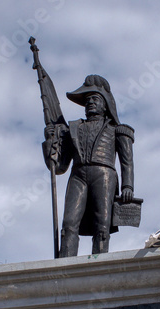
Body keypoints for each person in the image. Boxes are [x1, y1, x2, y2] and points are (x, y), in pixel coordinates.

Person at [44, 74, 135, 256]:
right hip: (78, 175)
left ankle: (98, 264)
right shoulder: (73, 129)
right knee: (69, 223)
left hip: (104, 175)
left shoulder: (117, 130)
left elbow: (127, 161)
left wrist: (127, 186)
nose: (90, 103)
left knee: (102, 224)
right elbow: (60, 167)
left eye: (95, 99)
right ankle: (65, 266)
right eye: (87, 100)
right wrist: (50, 141)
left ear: (105, 104)